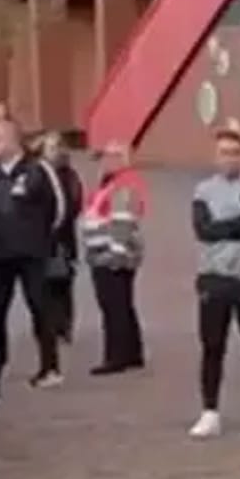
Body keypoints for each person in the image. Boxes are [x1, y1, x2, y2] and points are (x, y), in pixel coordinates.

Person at [189, 128, 240, 438]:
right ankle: (210, 411)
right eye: (223, 152)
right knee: (212, 348)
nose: (229, 159)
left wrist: (228, 226)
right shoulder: (203, 191)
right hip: (215, 276)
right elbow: (203, 230)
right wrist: (238, 223)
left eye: (234, 152)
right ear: (215, 156)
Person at [0, 118, 63, 389]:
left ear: (15, 139)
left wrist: (42, 237)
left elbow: (59, 208)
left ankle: (49, 366)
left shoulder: (37, 170)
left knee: (40, 308)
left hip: (31, 253)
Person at [80, 140, 148, 375]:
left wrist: (115, 255)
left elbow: (122, 222)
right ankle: (132, 352)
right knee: (123, 305)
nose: (106, 162)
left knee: (113, 307)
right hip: (107, 252)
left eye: (111, 157)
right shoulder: (113, 183)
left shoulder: (123, 184)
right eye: (105, 157)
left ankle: (116, 356)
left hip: (111, 254)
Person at [39, 131, 85, 346]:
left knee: (63, 283)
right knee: (44, 285)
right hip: (42, 239)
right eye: (50, 148)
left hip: (63, 239)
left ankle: (64, 325)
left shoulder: (69, 176)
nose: (54, 152)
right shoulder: (38, 174)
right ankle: (51, 324)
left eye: (57, 148)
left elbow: (74, 205)